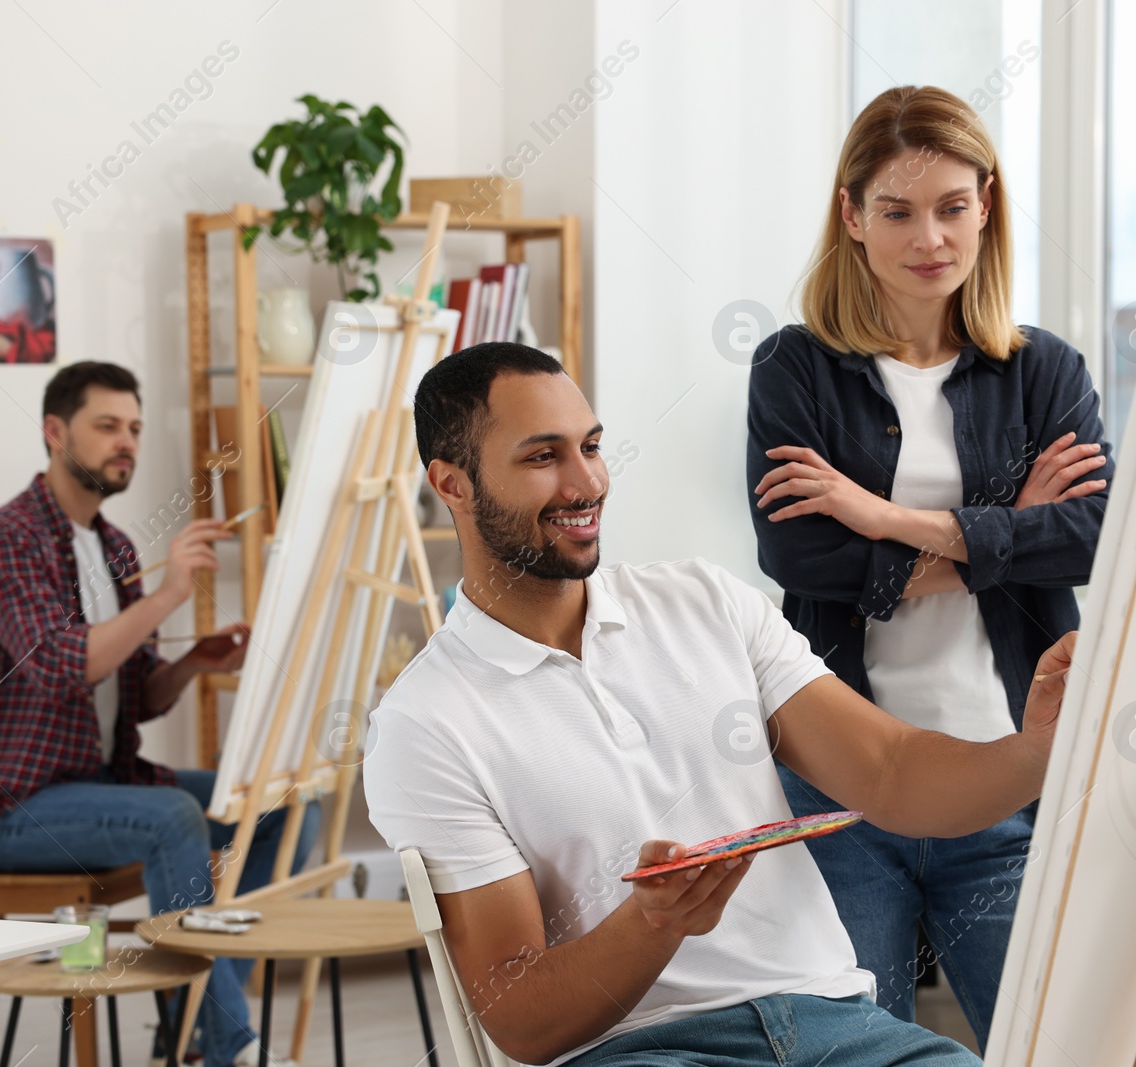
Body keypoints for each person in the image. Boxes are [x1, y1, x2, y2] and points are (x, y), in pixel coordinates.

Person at [365, 342, 1075, 1067]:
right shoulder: (425, 723)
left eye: (592, 446)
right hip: (641, 1050)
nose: (586, 483)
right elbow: (521, 1017)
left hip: (837, 1028)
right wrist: (653, 923)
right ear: (452, 485)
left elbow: (892, 769)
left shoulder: (706, 602)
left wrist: (1039, 747)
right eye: (543, 456)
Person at [745, 85, 1112, 1049]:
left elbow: (1091, 531)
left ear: (986, 205)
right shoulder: (793, 369)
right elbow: (800, 554)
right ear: (852, 215)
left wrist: (883, 516)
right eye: (898, 210)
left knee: (1048, 1040)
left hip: (1006, 770)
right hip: (842, 783)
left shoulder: (1045, 372)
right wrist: (1001, 532)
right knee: (864, 1048)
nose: (930, 237)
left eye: (953, 207)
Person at [0, 361, 317, 1067]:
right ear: (55, 433)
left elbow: (141, 694)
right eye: (108, 426)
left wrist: (194, 662)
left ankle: (190, 1026)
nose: (128, 442)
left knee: (275, 802)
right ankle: (226, 1045)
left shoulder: (115, 548)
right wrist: (169, 596)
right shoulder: (8, 539)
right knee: (173, 816)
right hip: (8, 806)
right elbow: (63, 667)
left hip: (95, 782)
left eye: (136, 429)